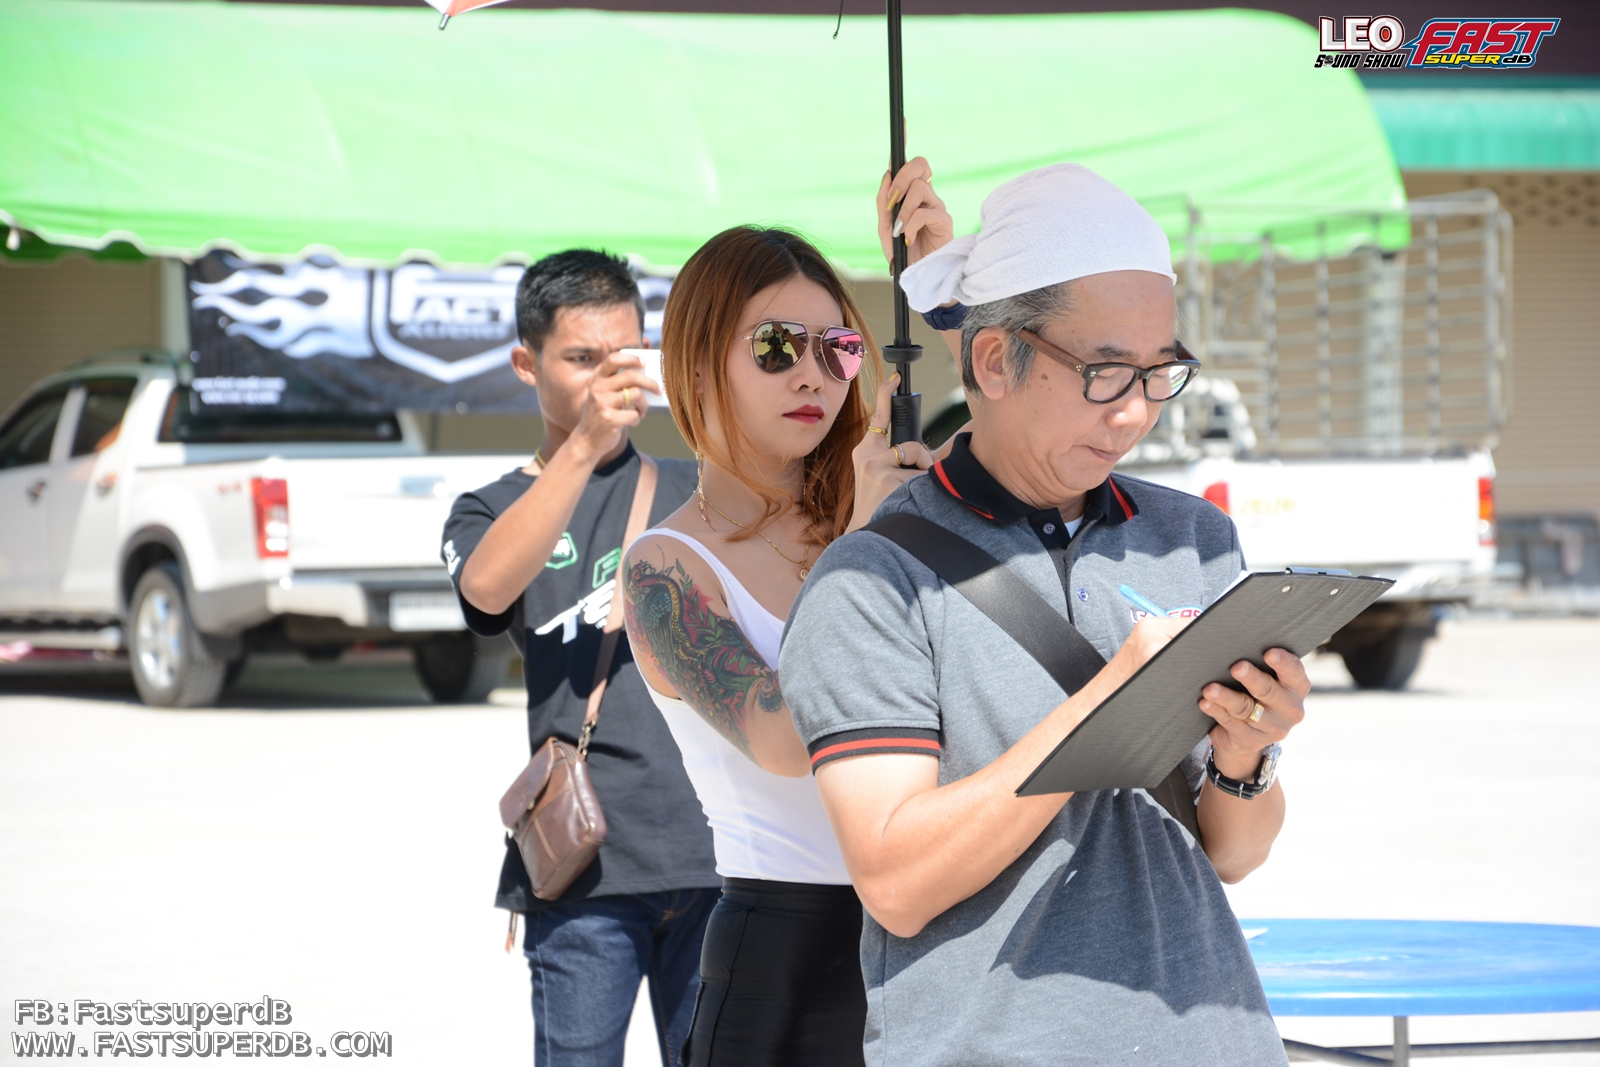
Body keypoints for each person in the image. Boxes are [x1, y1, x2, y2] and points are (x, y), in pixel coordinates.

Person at [780, 162, 1307, 1067]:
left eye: (1161, 371)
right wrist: (1108, 704)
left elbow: (1232, 853)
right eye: (1106, 373)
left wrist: (1246, 754)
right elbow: (897, 880)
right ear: (993, 360)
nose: (1137, 412)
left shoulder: (1192, 536)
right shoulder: (873, 578)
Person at [619, 226, 934, 1067]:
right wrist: (862, 544)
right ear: (695, 366)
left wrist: (949, 289)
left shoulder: (888, 509)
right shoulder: (665, 567)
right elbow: (789, 739)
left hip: (940, 938)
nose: (811, 375)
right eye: (775, 347)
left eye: (838, 349)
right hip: (792, 960)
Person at [441, 250, 719, 1067]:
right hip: (586, 871)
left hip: (716, 859)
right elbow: (487, 591)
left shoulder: (698, 488)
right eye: (581, 358)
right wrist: (583, 446)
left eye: (623, 354)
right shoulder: (489, 507)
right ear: (526, 363)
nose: (607, 378)